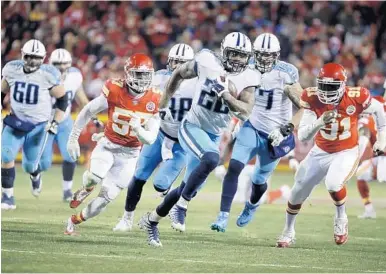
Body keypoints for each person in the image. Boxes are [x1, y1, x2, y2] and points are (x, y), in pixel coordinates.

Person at [138, 32, 262, 247]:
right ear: (223, 51)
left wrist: (226, 96)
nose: (236, 59)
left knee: (185, 187)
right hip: (192, 126)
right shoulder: (206, 61)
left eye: (242, 56)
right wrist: (165, 101)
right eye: (232, 54)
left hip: (214, 134)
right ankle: (182, 206)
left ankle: (151, 221)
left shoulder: (250, 77)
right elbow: (178, 73)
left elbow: (246, 111)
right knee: (212, 160)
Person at [276, 63, 386, 248]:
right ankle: (288, 231)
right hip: (320, 151)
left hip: (346, 150)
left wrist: (382, 137)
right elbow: (303, 135)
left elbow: (378, 109)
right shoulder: (311, 97)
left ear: (343, 85)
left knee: (334, 183)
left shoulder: (356, 97)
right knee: (297, 191)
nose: (325, 92)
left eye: (331, 87)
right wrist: (320, 122)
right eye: (323, 86)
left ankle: (341, 217)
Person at [211, 33, 304, 232]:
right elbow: (239, 97)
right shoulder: (246, 66)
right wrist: (236, 119)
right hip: (252, 126)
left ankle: (251, 206)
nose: (263, 59)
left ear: (276, 55)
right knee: (234, 166)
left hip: (276, 135)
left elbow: (304, 107)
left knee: (259, 180)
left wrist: (287, 128)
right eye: (260, 54)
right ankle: (223, 215)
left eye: (268, 55)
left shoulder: (286, 73)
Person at [64, 53, 161, 235]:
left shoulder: (155, 98)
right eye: (138, 74)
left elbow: (150, 138)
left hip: (130, 155)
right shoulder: (114, 88)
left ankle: (73, 220)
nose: (142, 80)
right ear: (128, 73)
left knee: (104, 200)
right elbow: (88, 110)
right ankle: (87, 187)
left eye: (146, 75)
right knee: (95, 176)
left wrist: (139, 130)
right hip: (108, 144)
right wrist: (73, 137)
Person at [113, 44, 196, 232]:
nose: (179, 67)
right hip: (158, 134)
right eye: (176, 61)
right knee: (139, 176)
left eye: (184, 63)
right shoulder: (158, 78)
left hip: (182, 143)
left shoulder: (199, 83)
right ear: (169, 61)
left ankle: (174, 206)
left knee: (160, 185)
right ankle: (127, 218)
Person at [1, 39, 67, 210]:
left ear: (43, 58)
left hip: (38, 126)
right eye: (29, 56)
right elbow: (1, 92)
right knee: (6, 155)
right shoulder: (12, 69)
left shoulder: (48, 74)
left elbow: (62, 100)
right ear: (23, 54)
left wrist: (55, 121)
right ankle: (7, 197)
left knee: (30, 165)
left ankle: (35, 175)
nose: (32, 61)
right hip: (15, 122)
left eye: (37, 58)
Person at [39, 48, 101, 202]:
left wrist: (93, 118)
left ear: (69, 64)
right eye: (57, 64)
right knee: (44, 163)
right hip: (44, 122)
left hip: (64, 120)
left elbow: (81, 99)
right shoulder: (41, 76)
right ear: (50, 64)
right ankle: (36, 175)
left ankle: (67, 190)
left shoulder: (74, 76)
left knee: (71, 155)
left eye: (64, 64)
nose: (61, 68)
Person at [355, 94, 386, 219]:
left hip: (381, 157)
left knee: (360, 173)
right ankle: (369, 209)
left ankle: (369, 209)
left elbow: (364, 135)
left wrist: (357, 157)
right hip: (379, 157)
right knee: (361, 174)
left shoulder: (369, 117)